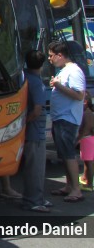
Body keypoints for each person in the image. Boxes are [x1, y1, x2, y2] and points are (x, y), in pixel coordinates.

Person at [48, 40, 86, 202]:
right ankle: (69, 185)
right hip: (60, 118)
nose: (49, 59)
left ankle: (76, 189)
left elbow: (79, 95)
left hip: (67, 118)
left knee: (68, 153)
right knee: (63, 153)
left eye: (51, 56)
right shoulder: (64, 70)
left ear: (60, 55)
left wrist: (58, 85)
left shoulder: (74, 71)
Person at [20, 49, 51, 212]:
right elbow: (37, 110)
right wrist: (26, 122)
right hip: (35, 132)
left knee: (33, 167)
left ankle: (37, 198)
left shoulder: (24, 78)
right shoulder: (37, 83)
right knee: (36, 168)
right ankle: (33, 200)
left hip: (30, 131)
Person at [78, 94, 94, 192]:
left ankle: (89, 184)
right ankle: (85, 178)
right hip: (87, 139)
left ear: (85, 102)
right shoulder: (88, 112)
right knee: (87, 161)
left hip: (87, 139)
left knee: (89, 162)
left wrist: (77, 139)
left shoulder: (87, 113)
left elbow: (86, 129)